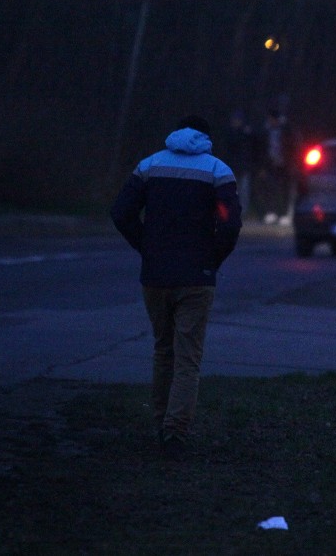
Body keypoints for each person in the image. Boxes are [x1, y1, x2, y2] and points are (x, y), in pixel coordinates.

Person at [110, 115, 242, 459]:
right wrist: (212, 258)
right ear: (207, 138)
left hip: (156, 276)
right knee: (188, 358)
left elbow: (121, 213)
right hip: (196, 277)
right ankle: (175, 434)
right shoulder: (217, 170)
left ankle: (160, 424)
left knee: (163, 350)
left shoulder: (150, 165)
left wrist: (147, 248)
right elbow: (230, 224)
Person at [258, 109, 299, 226]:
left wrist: (292, 163)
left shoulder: (286, 130)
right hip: (271, 164)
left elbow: (293, 147)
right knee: (270, 188)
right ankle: (271, 212)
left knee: (286, 190)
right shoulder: (267, 132)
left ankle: (286, 214)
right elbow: (263, 149)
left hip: (285, 164)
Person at [224, 108, 256, 218]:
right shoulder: (230, 133)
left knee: (244, 190)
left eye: (238, 120)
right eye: (234, 120)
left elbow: (251, 148)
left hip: (244, 166)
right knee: (233, 190)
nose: (235, 122)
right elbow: (229, 150)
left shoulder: (246, 133)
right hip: (233, 166)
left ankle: (244, 212)